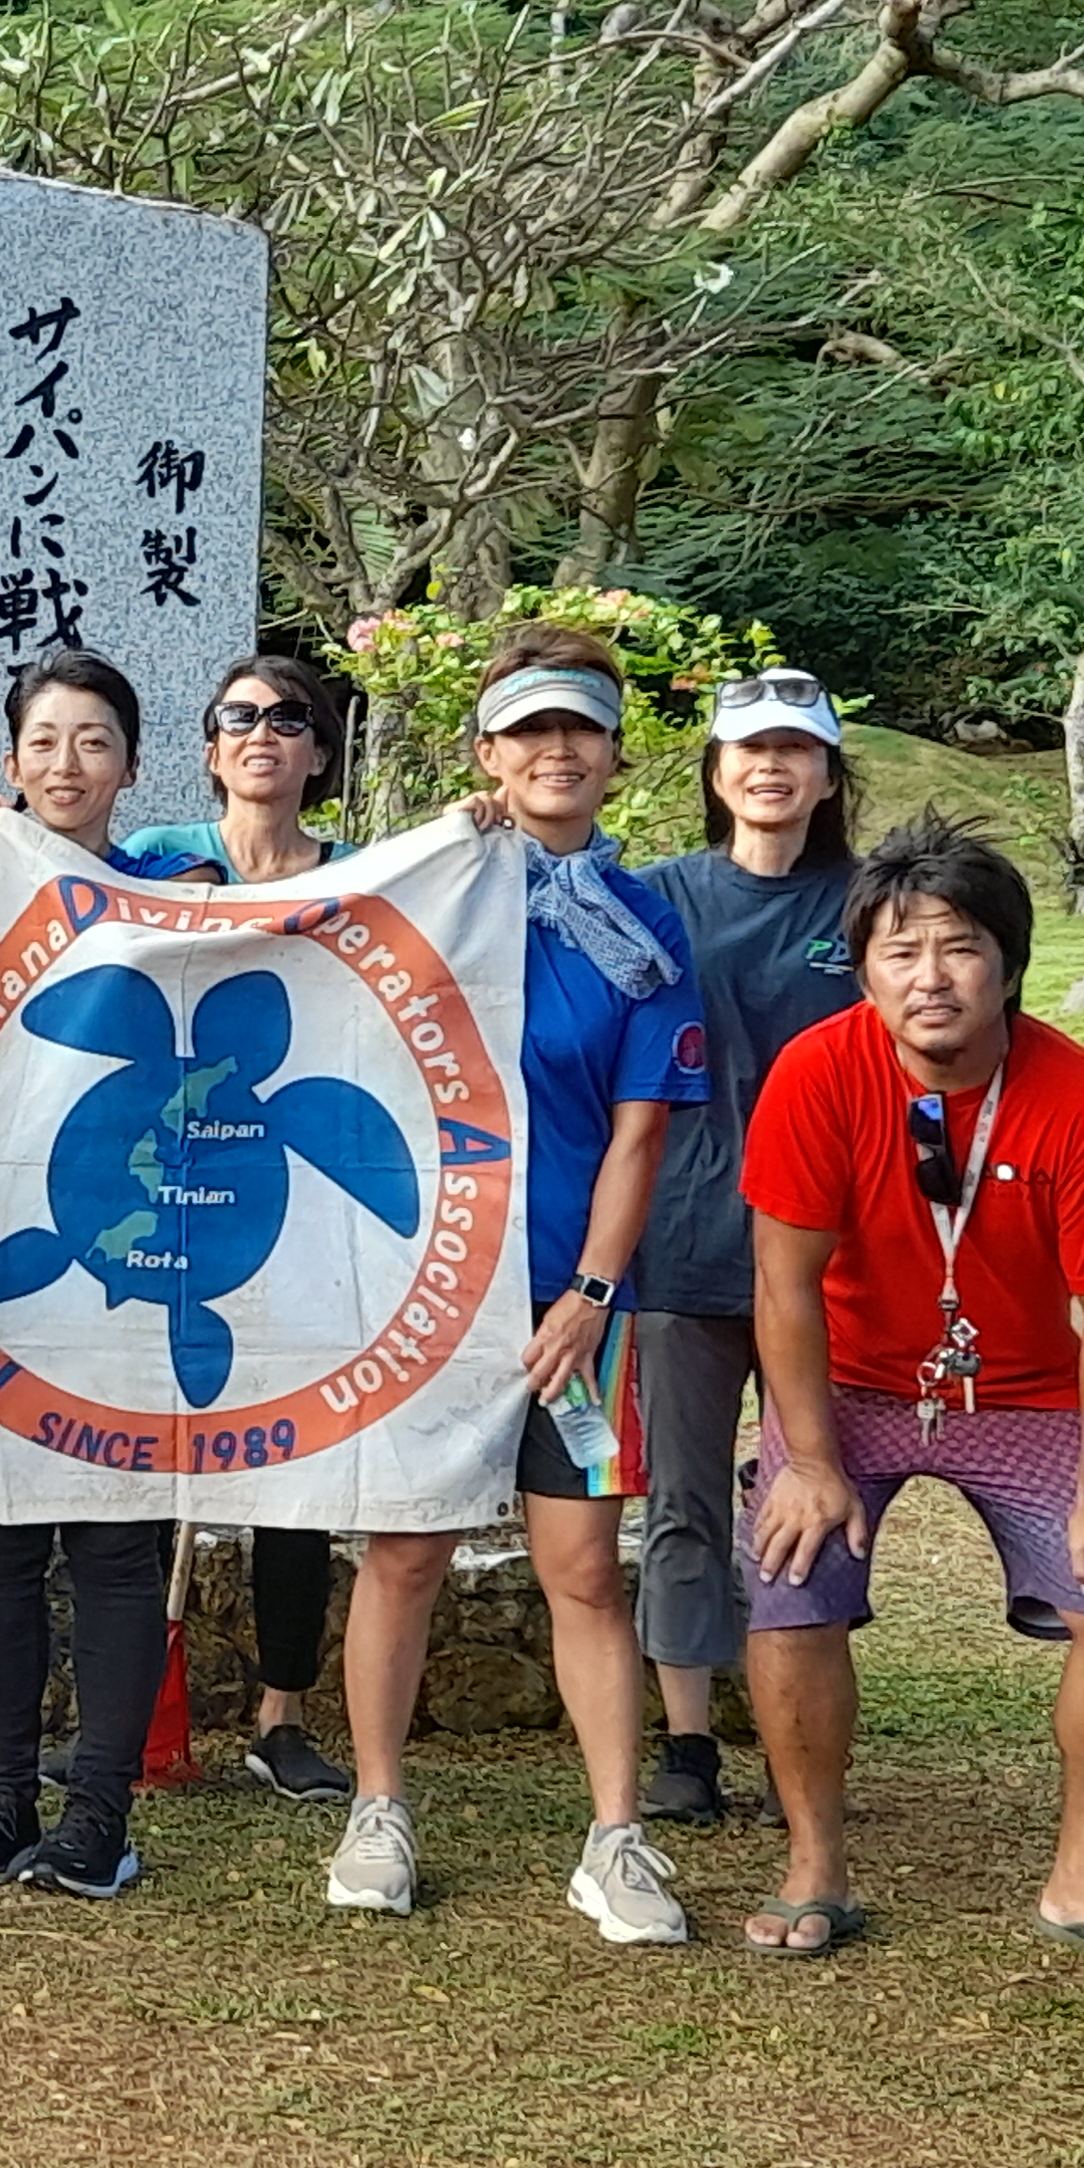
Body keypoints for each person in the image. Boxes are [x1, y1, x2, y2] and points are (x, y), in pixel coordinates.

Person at [739, 814, 1084, 1973]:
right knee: (790, 1575)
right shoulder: (817, 1072)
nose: (928, 978)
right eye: (899, 952)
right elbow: (782, 1288)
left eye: (957, 947)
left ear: (1008, 963)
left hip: (1027, 1393)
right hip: (848, 1381)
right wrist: (812, 1460)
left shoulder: (1083, 1099)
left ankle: (1082, 1876)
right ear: (863, 971)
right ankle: (813, 1864)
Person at [322, 626, 705, 1945]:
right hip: (424, 1297)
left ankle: (616, 1836)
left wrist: (591, 1295)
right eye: (528, 730)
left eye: (580, 728)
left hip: (571, 1310)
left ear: (613, 754)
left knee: (586, 1567)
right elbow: (247, 900)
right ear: (486, 753)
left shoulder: (643, 929)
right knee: (405, 1553)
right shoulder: (430, 887)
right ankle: (378, 1809)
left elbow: (641, 1129)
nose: (556, 751)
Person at [101, 650, 366, 1810]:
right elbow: (47, 885)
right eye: (239, 718)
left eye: (289, 719)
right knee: (137, 1445)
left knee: (285, 1462)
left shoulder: (366, 877)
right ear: (209, 747)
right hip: (155, 1183)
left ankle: (281, 1714)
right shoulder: (152, 861)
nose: (263, 735)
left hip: (284, 1201)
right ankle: (130, 1705)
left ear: (319, 753)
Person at [0, 650, 176, 1896]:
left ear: (129, 766)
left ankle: (98, 1814)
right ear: (9, 761)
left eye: (92, 742)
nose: (65, 766)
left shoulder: (181, 894)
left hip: (136, 1260)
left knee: (116, 1550)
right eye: (43, 742)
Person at [631, 668, 861, 1827]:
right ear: (716, 773)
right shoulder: (654, 895)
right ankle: (685, 1745)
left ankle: (795, 1739)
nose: (770, 769)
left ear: (827, 775)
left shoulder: (873, 909)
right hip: (680, 1245)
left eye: (794, 750)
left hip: (833, 1266)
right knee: (683, 1499)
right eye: (747, 750)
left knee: (812, 1493)